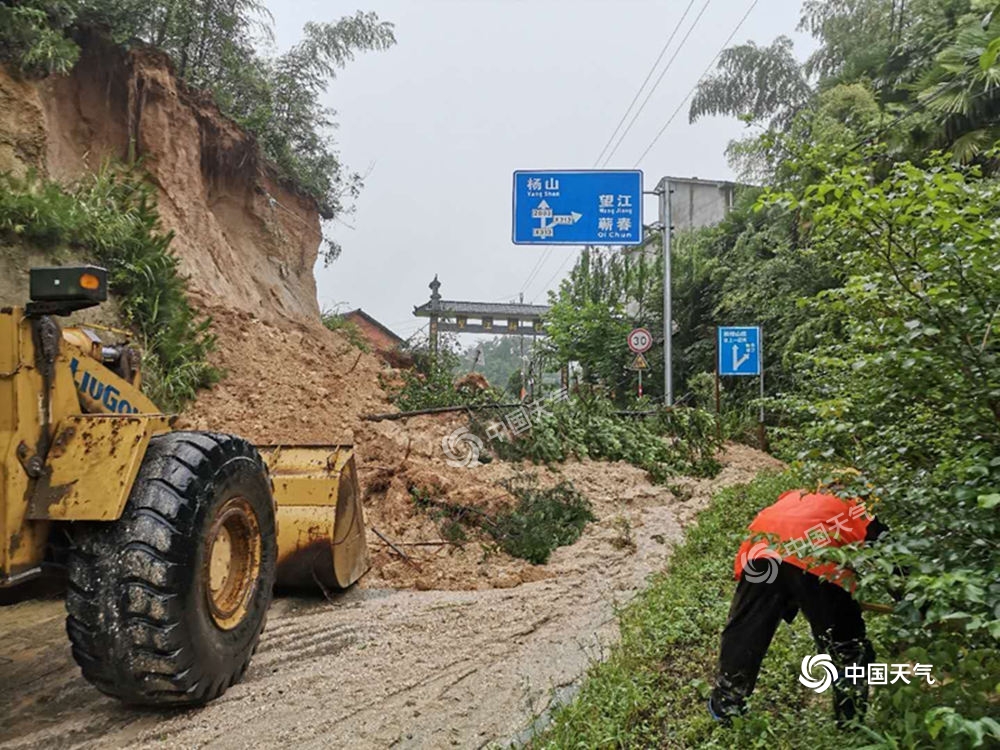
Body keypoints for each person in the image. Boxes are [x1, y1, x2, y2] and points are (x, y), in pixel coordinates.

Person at [708, 481, 888, 726]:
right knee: (845, 644)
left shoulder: (799, 495)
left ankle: (727, 708)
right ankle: (850, 720)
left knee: (746, 630)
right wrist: (917, 604)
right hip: (815, 560)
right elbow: (893, 557)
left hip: (763, 551)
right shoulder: (859, 507)